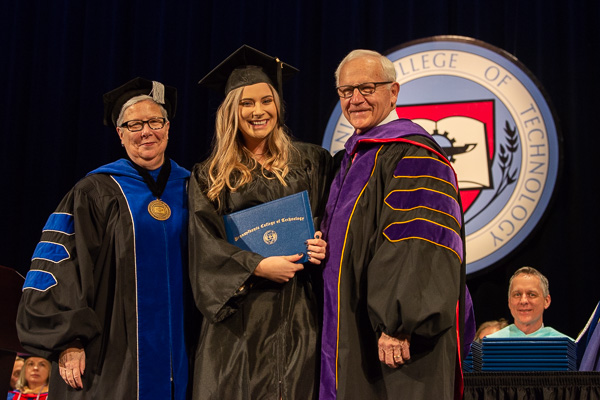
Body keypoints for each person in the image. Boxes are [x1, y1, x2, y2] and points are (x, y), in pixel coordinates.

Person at [16, 77, 192, 399]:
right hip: (110, 353)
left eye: (154, 121)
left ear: (168, 127)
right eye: (134, 124)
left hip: (181, 352)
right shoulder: (95, 191)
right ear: (120, 134)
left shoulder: (193, 189)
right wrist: (68, 339)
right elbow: (59, 265)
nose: (146, 131)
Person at [319, 49, 468, 400]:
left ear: (394, 92)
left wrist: (399, 322)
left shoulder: (415, 154)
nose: (355, 99)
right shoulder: (351, 158)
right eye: (346, 91)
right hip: (353, 334)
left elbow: (419, 243)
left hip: (396, 341)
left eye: (367, 87)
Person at [189, 45, 333, 399]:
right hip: (238, 324)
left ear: (278, 105)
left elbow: (335, 221)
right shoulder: (209, 177)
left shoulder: (312, 161)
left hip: (300, 314)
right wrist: (257, 265)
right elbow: (203, 248)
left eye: (266, 100)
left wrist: (323, 243)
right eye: (246, 103)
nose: (258, 111)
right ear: (230, 111)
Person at [487, 266, 572, 338]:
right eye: (517, 295)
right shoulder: (490, 345)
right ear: (509, 302)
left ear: (546, 301)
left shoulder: (566, 347)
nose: (523, 301)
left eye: (532, 295)